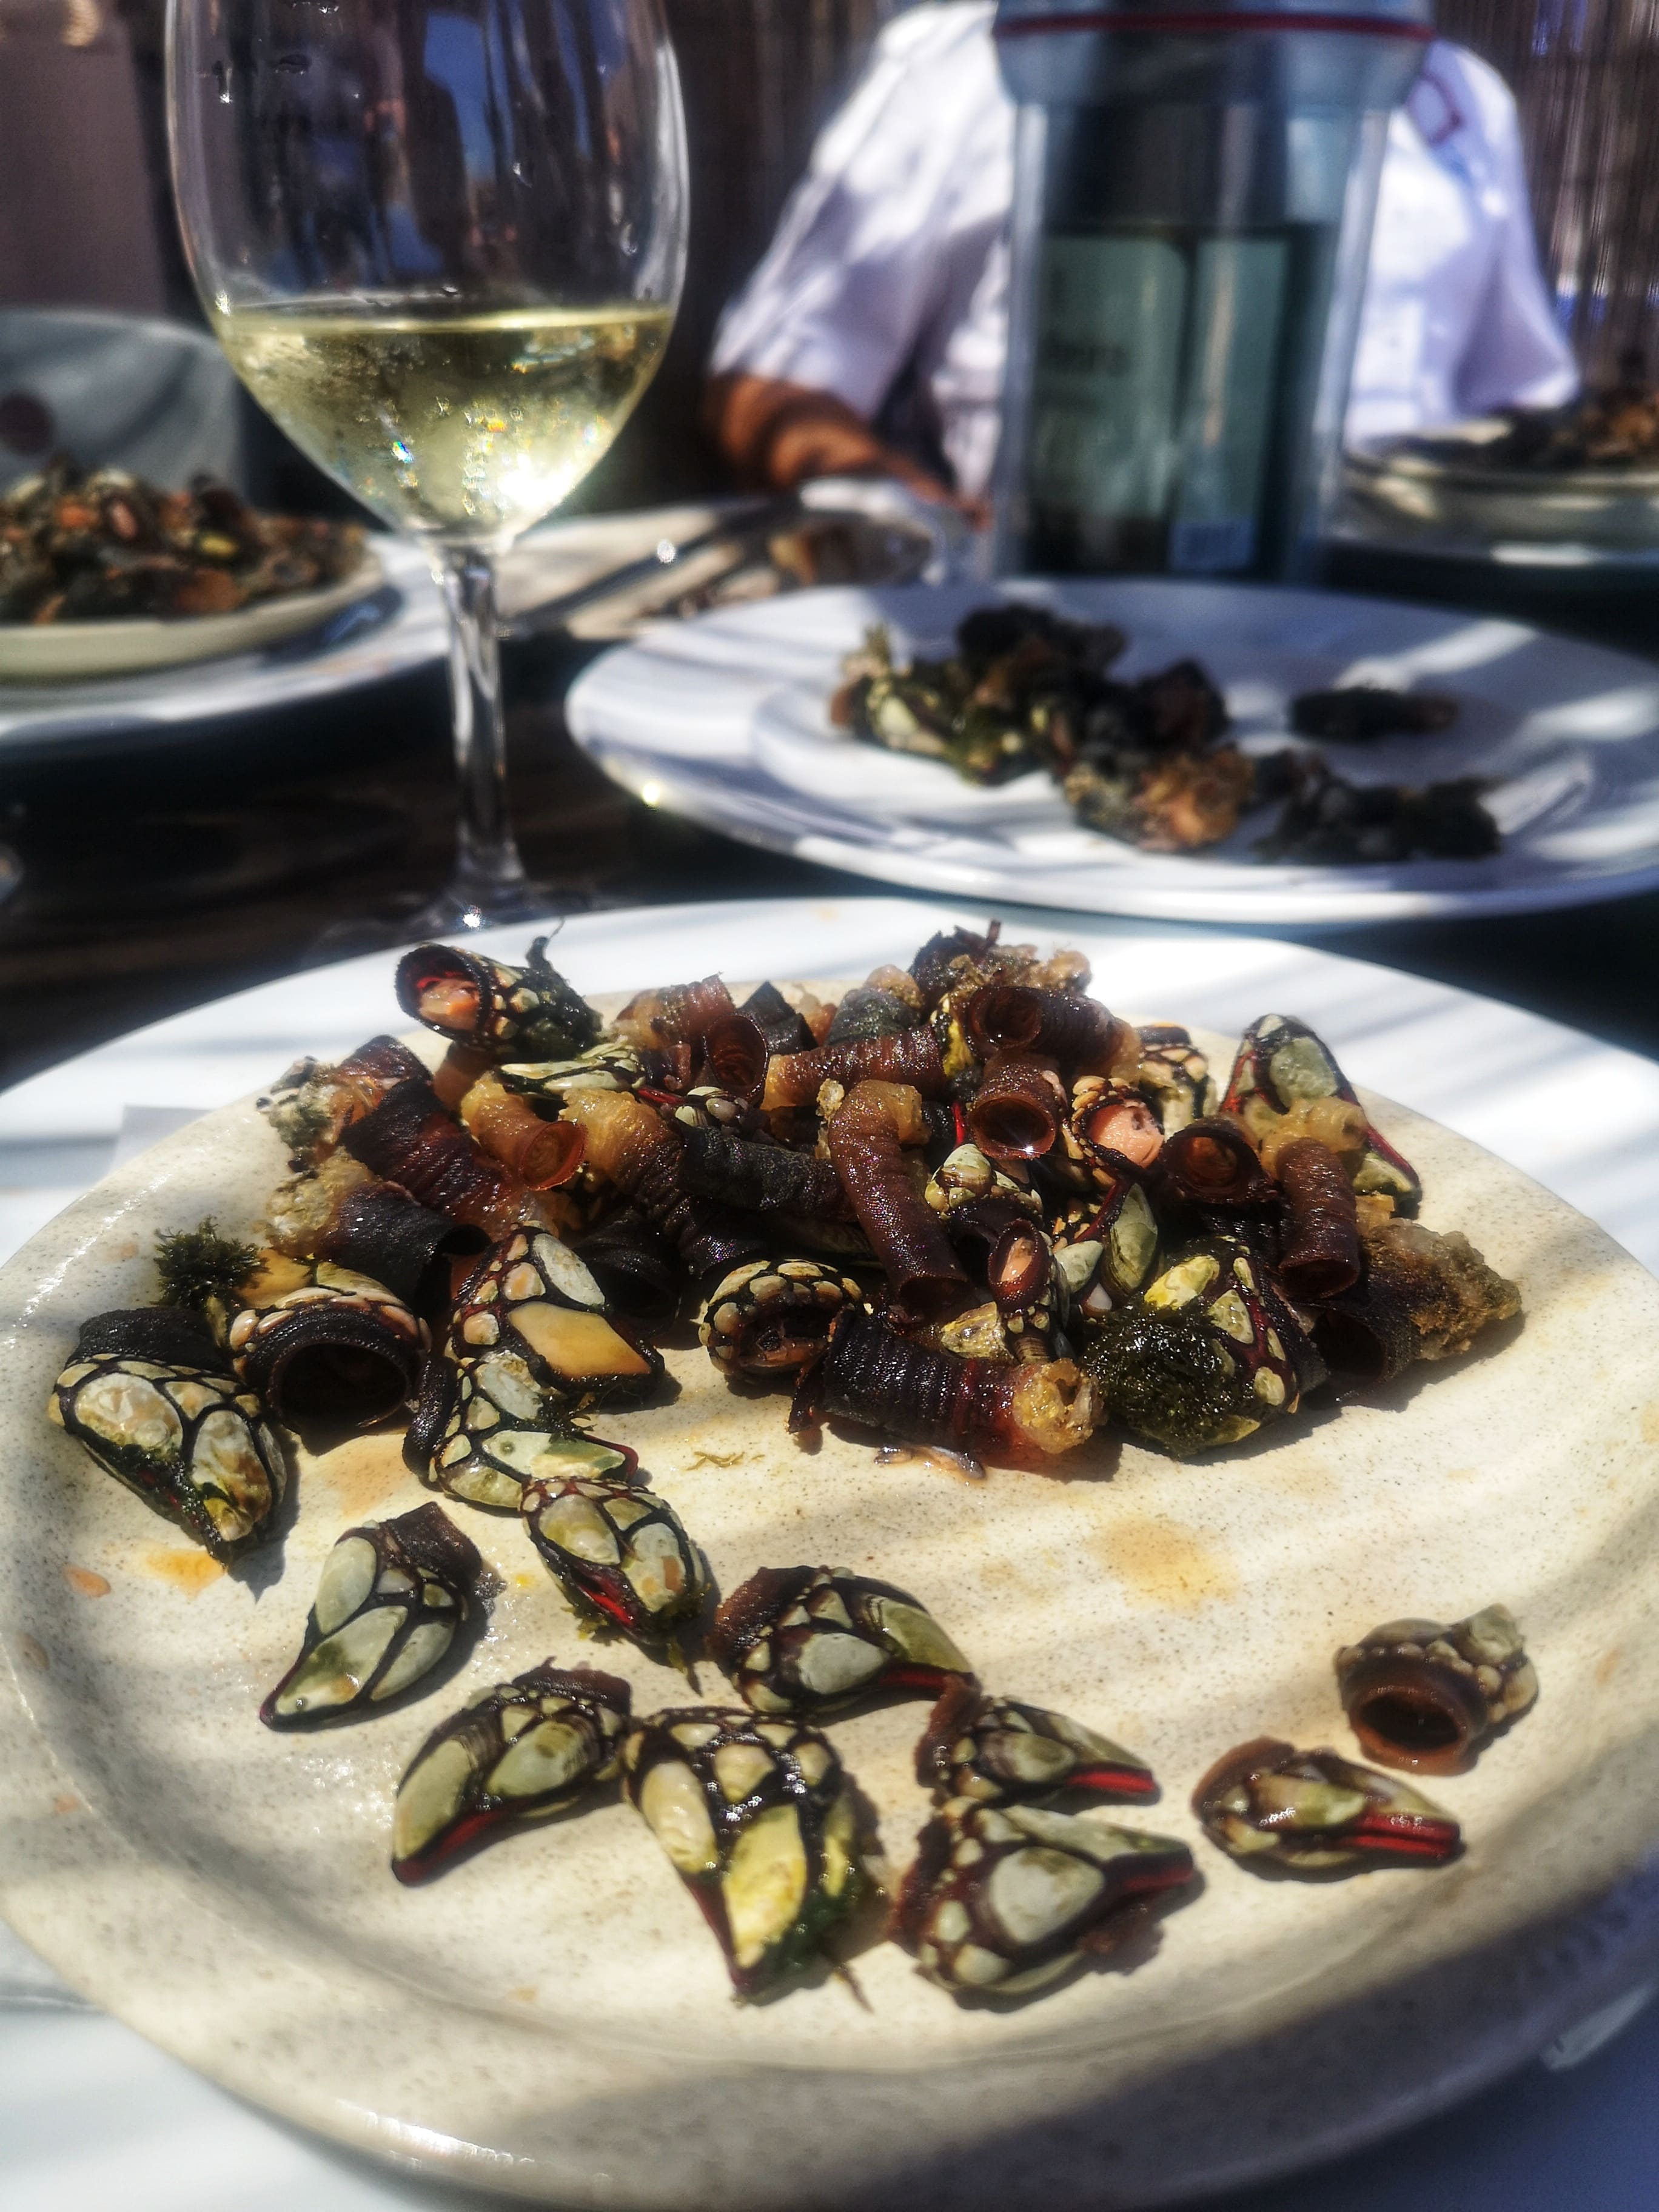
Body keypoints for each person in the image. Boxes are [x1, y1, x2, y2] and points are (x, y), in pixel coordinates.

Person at [706, 5, 1577, 511]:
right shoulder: (968, 57)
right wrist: (932, 544)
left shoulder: (1456, 94)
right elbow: (768, 387)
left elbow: (1522, 405)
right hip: (1062, 582)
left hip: (1405, 628)